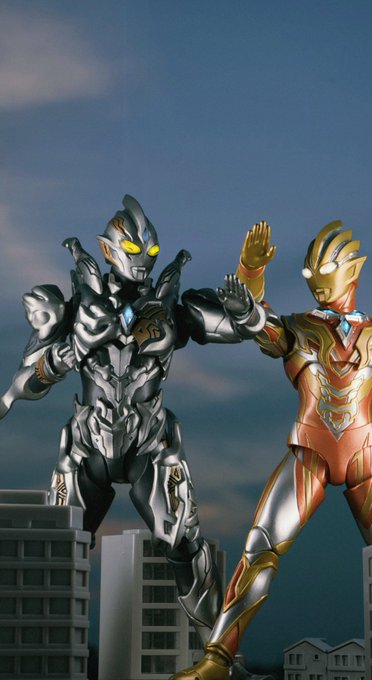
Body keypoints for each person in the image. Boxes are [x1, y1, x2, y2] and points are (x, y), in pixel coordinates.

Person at [171, 219, 372, 680]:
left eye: (325, 272)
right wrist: (251, 272)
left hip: (366, 456)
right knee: (260, 549)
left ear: (352, 270)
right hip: (310, 452)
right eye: (309, 273)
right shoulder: (297, 327)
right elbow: (258, 326)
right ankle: (218, 658)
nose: (316, 282)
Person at [0, 194, 266, 646]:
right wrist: (68, 352)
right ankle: (31, 653)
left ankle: (219, 655)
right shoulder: (71, 307)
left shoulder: (172, 308)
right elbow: (25, 382)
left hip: (149, 443)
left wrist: (248, 295)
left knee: (184, 542)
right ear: (108, 250)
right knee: (56, 550)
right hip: (88, 446)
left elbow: (245, 326)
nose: (144, 260)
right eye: (133, 250)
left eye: (152, 251)